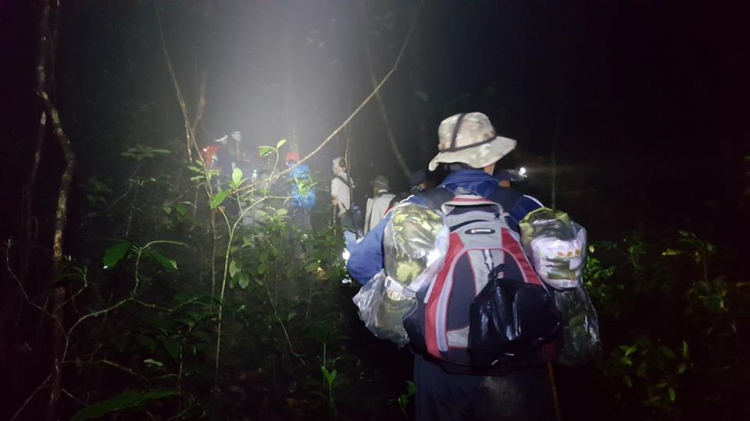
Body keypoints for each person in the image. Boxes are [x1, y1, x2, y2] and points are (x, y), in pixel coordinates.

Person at [347, 112, 554, 421]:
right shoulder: (526, 207)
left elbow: (360, 265)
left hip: (440, 364)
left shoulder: (415, 210)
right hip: (520, 362)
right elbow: (560, 273)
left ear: (446, 161)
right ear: (492, 159)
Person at [330, 157, 361, 250]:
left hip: (344, 213)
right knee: (358, 236)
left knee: (349, 240)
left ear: (336, 168)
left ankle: (351, 260)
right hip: (355, 211)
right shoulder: (349, 178)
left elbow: (334, 201)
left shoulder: (335, 181)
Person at [285, 151, 315, 234]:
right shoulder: (306, 171)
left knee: (296, 234)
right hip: (307, 204)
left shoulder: (291, 172)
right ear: (298, 161)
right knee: (307, 230)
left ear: (286, 162)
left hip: (296, 206)